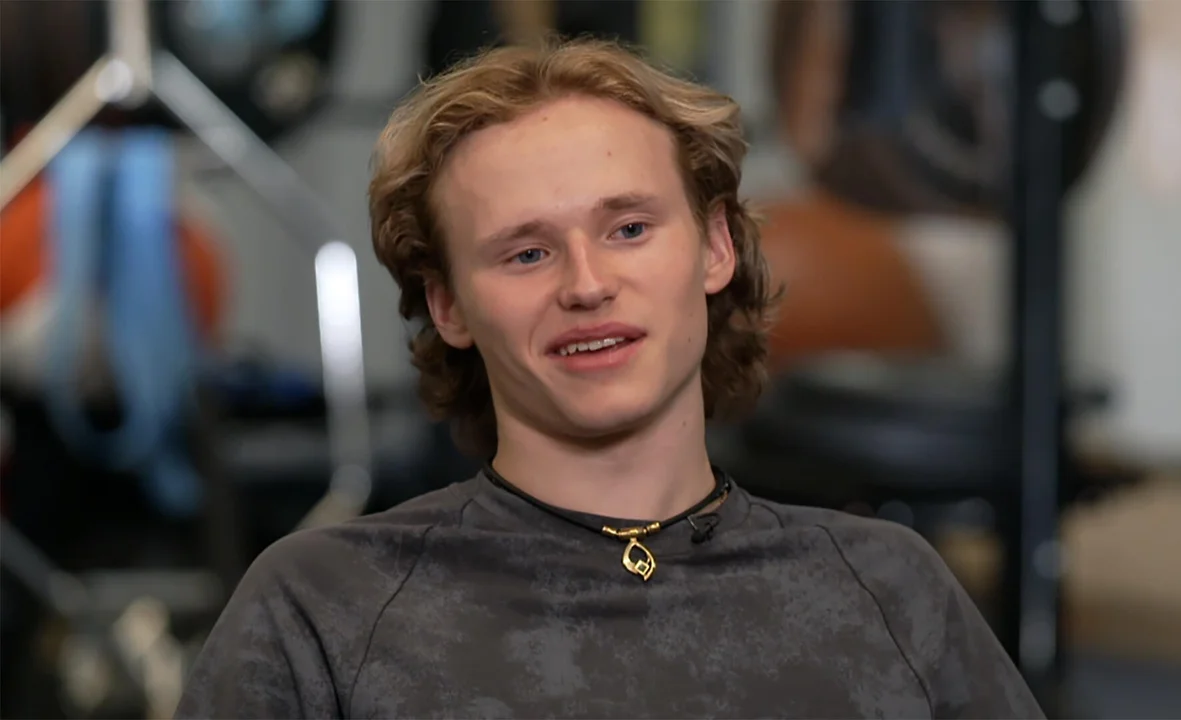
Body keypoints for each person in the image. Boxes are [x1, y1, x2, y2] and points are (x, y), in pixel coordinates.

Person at [175, 38, 1044, 719]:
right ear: (448, 306)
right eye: (526, 252)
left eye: (628, 229)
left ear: (715, 247)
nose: (587, 284)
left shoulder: (887, 589)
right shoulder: (322, 609)